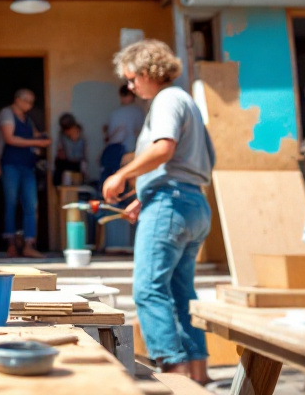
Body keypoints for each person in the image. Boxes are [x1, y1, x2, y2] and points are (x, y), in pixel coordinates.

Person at [102, 40, 214, 384]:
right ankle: (198, 377)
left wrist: (123, 174)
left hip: (172, 202)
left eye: (132, 78)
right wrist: (143, 195)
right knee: (182, 293)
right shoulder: (186, 101)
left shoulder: (166, 100)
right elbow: (187, 161)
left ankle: (174, 377)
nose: (131, 87)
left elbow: (165, 148)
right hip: (192, 202)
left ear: (150, 72)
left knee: (149, 290)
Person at [0, 89, 51, 257]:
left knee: (31, 205)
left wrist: (42, 138)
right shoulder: (6, 114)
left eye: (32, 102)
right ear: (17, 99)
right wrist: (38, 142)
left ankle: (29, 244)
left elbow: (34, 135)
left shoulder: (28, 119)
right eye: (27, 101)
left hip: (27, 166)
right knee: (11, 203)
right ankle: (11, 244)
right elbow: (10, 138)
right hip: (10, 164)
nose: (29, 105)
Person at [102, 83, 145, 179]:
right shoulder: (139, 112)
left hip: (119, 151)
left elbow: (112, 135)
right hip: (132, 151)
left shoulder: (117, 113)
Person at [53, 113, 88, 185]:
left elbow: (84, 155)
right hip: (65, 164)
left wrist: (84, 169)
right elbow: (60, 152)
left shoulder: (82, 137)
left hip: (77, 164)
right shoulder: (62, 136)